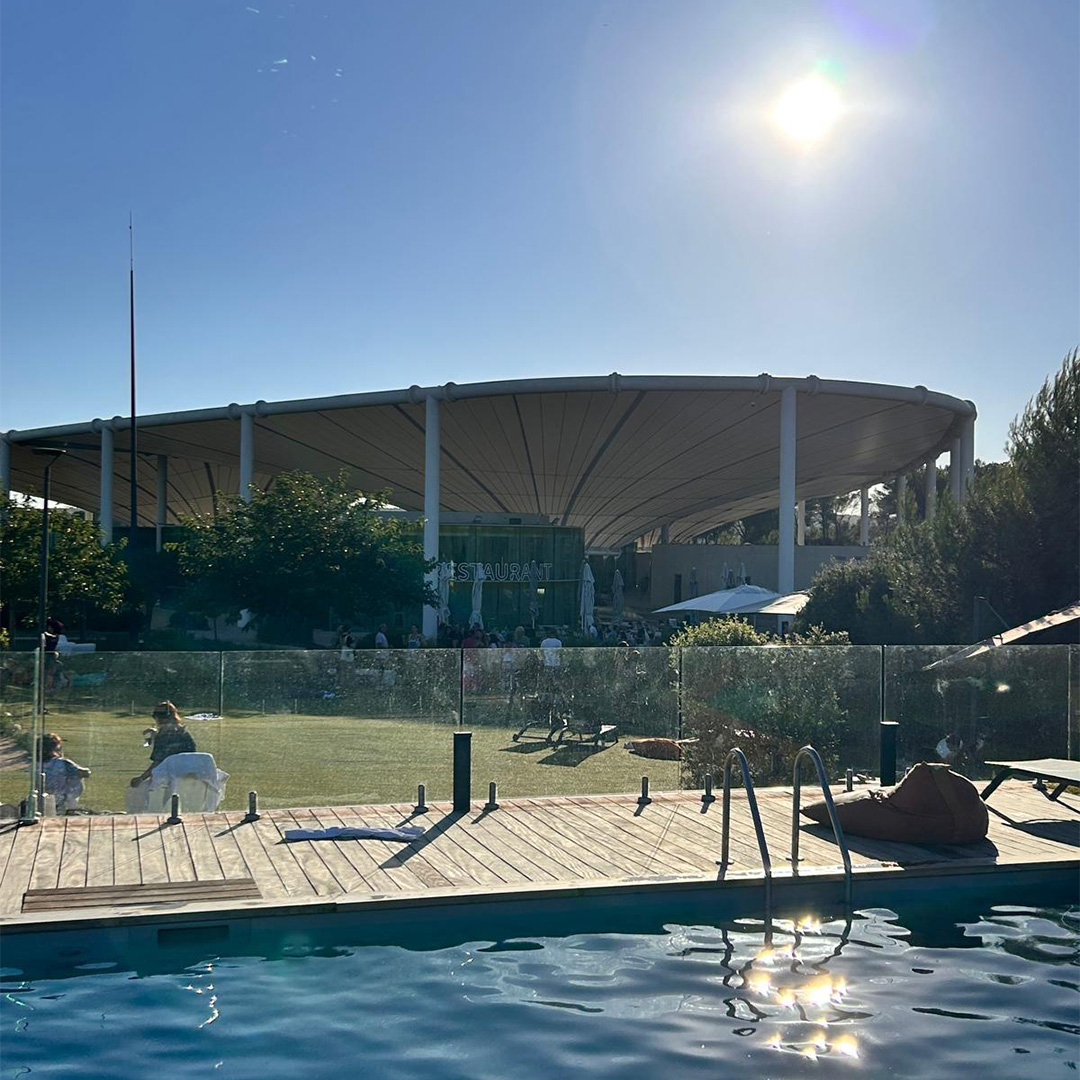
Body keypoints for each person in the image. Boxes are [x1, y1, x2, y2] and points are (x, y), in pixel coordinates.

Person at [130, 701, 197, 789]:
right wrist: (156, 734)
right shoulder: (182, 731)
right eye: (155, 715)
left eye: (160, 715)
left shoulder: (164, 736)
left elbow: (159, 762)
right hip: (189, 777)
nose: (158, 718)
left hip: (170, 781)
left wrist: (141, 778)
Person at [40, 732, 91, 814]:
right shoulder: (64, 763)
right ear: (56, 747)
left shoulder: (38, 765)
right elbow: (85, 773)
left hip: (47, 803)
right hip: (67, 803)